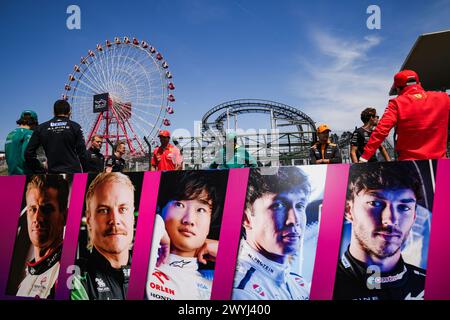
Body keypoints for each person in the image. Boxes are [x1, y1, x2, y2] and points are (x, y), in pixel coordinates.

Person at [333, 162, 426, 300]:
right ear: (348, 210)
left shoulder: (432, 285)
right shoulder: (319, 288)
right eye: (375, 203)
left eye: (404, 207)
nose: (390, 219)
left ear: (414, 216)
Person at [232, 167, 311, 300]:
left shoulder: (299, 284)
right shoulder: (240, 292)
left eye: (299, 206)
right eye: (278, 206)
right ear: (246, 218)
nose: (294, 220)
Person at [146, 171, 226, 300]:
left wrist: (228, 254)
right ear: (159, 209)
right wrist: (154, 224)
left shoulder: (216, 286)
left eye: (201, 210)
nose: (189, 219)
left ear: (210, 224)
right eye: (179, 204)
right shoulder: (135, 264)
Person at [360, 70, 450, 162]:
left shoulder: (396, 103)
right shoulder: (444, 98)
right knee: (444, 177)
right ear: (419, 83)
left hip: (411, 165)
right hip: (442, 163)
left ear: (398, 88)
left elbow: (381, 130)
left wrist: (364, 157)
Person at [71, 172, 135, 300]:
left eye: (123, 209)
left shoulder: (152, 270)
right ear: (89, 219)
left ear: (132, 216)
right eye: (104, 210)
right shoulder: (74, 276)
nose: (115, 219)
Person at [16, 175, 69, 298]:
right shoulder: (25, 281)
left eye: (47, 209)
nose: (37, 218)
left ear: (65, 216)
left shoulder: (66, 274)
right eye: (32, 209)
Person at [25, 100, 87, 174]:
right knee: (78, 186)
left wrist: (39, 170)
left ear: (53, 112)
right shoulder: (75, 126)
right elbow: (82, 153)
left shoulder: (41, 128)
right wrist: (86, 172)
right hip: (73, 173)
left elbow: (28, 153)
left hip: (52, 174)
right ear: (69, 112)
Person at [5, 110, 39, 175]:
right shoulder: (29, 133)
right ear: (34, 122)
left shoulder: (10, 134)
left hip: (9, 177)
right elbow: (28, 155)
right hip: (25, 176)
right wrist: (40, 169)